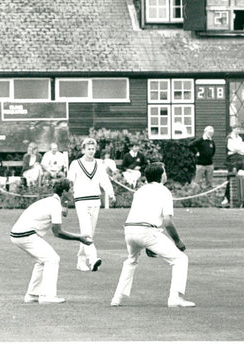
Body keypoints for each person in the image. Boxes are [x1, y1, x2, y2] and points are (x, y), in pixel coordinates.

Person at [111, 163, 195, 308]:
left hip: (130, 231)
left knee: (131, 261)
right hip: (146, 232)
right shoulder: (164, 191)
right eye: (165, 172)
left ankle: (116, 299)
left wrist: (150, 244)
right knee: (181, 259)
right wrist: (178, 241)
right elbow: (167, 222)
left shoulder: (140, 191)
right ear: (162, 175)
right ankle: (175, 298)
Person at [10, 178, 93, 304]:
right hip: (25, 234)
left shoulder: (53, 201)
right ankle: (47, 296)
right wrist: (79, 238)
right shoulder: (54, 204)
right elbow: (58, 232)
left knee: (42, 261)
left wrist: (65, 201)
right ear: (64, 191)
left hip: (18, 234)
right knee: (52, 259)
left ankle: (33, 294)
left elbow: (64, 213)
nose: (74, 191)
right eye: (71, 189)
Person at [67, 137, 115, 272]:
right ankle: (93, 259)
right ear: (83, 149)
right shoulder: (76, 164)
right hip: (81, 200)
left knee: (89, 233)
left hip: (95, 200)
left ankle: (81, 261)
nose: (91, 151)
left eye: (93, 149)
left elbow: (104, 180)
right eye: (88, 149)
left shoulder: (99, 164)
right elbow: (70, 181)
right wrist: (65, 198)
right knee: (86, 231)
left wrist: (111, 193)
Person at [223, 127, 244, 207]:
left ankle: (242, 199)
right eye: (237, 129)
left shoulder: (240, 138)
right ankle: (227, 197)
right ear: (233, 129)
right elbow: (232, 148)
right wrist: (238, 149)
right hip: (232, 159)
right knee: (231, 178)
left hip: (240, 158)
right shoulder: (229, 138)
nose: (238, 131)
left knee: (242, 177)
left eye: (239, 129)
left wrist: (239, 150)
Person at [189, 126, 216, 193]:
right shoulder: (200, 140)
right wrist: (196, 152)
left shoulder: (211, 141)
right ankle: (195, 195)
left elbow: (213, 150)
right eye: (209, 132)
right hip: (201, 164)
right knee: (197, 182)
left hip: (209, 164)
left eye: (212, 133)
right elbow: (191, 145)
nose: (210, 134)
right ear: (205, 132)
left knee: (209, 182)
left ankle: (209, 195)